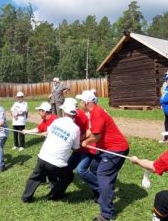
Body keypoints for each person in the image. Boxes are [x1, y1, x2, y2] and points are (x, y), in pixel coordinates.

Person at [78, 90, 130, 221]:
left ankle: (106, 215)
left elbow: (96, 136)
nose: (79, 103)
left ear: (86, 102)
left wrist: (84, 142)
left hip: (117, 149)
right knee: (94, 168)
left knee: (103, 174)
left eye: (80, 101)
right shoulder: (93, 112)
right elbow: (94, 132)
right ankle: (103, 193)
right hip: (105, 148)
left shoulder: (97, 112)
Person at [21, 102, 80, 203]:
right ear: (74, 115)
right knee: (68, 176)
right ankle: (54, 195)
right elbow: (76, 147)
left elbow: (49, 132)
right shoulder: (76, 129)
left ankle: (26, 198)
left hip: (42, 156)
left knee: (36, 176)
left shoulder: (57, 121)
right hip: (56, 162)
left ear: (64, 113)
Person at [65, 97, 97, 187]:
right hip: (79, 148)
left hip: (88, 148)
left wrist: (78, 140)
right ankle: (60, 185)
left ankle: (100, 189)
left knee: (81, 170)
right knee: (67, 168)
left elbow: (89, 131)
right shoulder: (72, 116)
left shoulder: (79, 115)